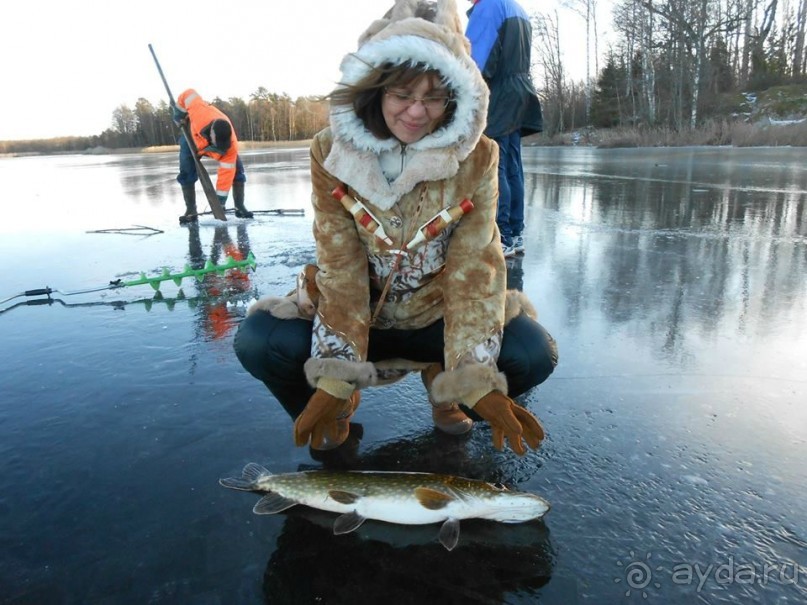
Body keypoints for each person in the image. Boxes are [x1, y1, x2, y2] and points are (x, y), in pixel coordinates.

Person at [234, 0, 557, 458]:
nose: (416, 112)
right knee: (261, 340)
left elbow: (475, 268)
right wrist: (335, 376)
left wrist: (477, 381)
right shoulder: (331, 152)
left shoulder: (479, 156)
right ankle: (335, 406)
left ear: (456, 96)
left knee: (531, 352)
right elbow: (339, 266)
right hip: (361, 317)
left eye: (433, 97)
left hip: (435, 316)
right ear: (376, 90)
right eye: (402, 95)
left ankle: (447, 393)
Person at [465, 0, 543, 257]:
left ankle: (502, 235)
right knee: (512, 165)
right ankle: (515, 233)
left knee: (495, 163)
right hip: (519, 91)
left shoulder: (488, 7)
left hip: (498, 94)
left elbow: (475, 63)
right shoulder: (515, 7)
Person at [173, 89, 253, 223]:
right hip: (192, 137)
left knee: (237, 171)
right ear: (212, 135)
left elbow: (226, 174)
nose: (221, 147)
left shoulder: (230, 146)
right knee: (186, 171)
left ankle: (239, 207)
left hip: (208, 142)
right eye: (219, 144)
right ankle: (191, 210)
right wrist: (179, 114)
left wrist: (219, 203)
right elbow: (188, 93)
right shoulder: (199, 112)